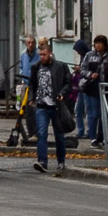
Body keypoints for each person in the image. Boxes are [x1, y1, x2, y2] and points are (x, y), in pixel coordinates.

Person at [28, 38, 73, 175]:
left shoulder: (60, 67)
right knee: (41, 133)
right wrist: (31, 98)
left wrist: (62, 93)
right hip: (41, 105)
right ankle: (42, 161)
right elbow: (32, 84)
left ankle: (61, 161)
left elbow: (68, 82)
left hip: (56, 106)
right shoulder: (36, 67)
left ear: (50, 54)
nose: (42, 57)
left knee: (59, 135)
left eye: (44, 55)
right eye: (40, 55)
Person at [79, 35, 108, 147]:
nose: (97, 45)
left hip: (107, 88)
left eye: (100, 43)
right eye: (96, 43)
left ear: (105, 44)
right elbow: (82, 69)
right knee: (94, 114)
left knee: (106, 115)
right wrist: (90, 74)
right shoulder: (89, 55)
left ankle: (104, 137)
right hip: (93, 88)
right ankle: (92, 138)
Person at [71, 38, 92, 138]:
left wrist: (80, 70)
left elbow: (88, 70)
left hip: (87, 87)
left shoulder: (89, 56)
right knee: (78, 110)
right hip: (81, 87)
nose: (78, 52)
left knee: (88, 110)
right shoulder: (83, 56)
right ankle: (80, 131)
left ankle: (89, 131)